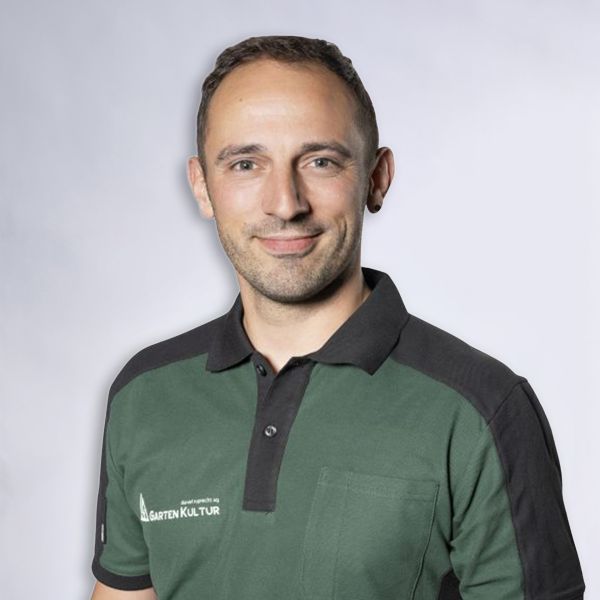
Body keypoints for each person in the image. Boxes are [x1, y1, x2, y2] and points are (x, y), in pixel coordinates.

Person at [90, 35, 585, 600]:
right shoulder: (145, 395)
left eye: (320, 161)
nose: (285, 203)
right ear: (203, 187)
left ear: (376, 178)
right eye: (246, 164)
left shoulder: (482, 409)